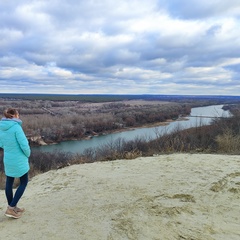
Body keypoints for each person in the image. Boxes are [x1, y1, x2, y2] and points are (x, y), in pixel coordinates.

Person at [0, 108, 31, 219]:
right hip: (19, 159)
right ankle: (11, 207)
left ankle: (13, 207)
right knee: (24, 181)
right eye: (18, 114)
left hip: (8, 159)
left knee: (9, 182)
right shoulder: (16, 127)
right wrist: (27, 154)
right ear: (14, 116)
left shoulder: (1, 127)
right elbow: (24, 145)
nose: (19, 115)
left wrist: (9, 149)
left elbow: (1, 144)